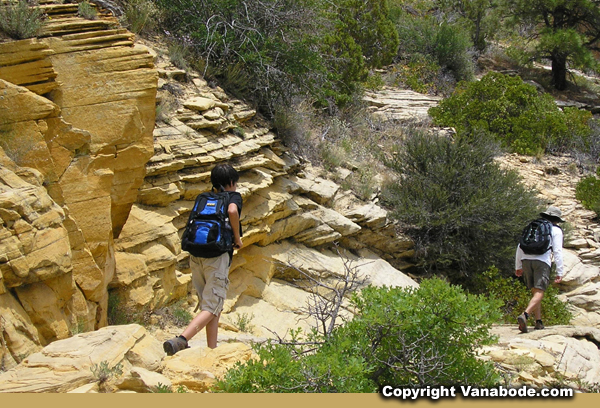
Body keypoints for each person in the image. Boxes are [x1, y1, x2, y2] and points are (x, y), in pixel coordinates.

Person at [163, 163, 243, 355]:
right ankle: (181, 340)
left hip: (196, 255)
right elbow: (232, 211)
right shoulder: (233, 197)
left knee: (211, 305)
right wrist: (238, 238)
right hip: (216, 257)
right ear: (231, 182)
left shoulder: (204, 197)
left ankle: (212, 349)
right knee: (212, 304)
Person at [515, 206, 565, 333]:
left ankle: (538, 321)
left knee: (535, 292)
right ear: (556, 220)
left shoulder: (533, 226)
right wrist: (560, 271)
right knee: (540, 292)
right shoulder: (556, 231)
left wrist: (518, 266)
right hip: (542, 261)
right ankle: (525, 315)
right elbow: (558, 251)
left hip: (526, 260)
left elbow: (520, 245)